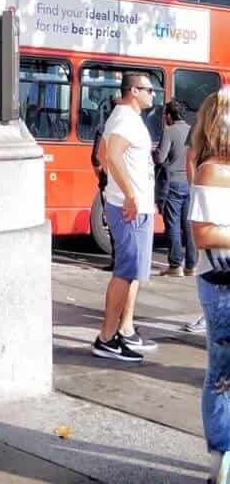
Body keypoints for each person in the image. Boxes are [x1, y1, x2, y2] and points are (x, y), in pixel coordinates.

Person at [91, 70, 158, 362]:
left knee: (132, 272)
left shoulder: (127, 118)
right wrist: (130, 194)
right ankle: (106, 338)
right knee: (125, 271)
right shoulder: (124, 119)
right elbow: (110, 157)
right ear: (134, 91)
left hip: (138, 207)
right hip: (129, 208)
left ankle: (123, 330)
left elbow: (107, 156)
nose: (153, 93)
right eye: (149, 89)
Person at [188, 88, 230, 484]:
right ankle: (222, 462)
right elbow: (204, 235)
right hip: (223, 286)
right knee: (223, 374)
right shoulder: (213, 170)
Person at [154, 100, 197, 277]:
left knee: (172, 225)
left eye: (165, 114)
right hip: (189, 182)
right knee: (188, 226)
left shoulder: (169, 131)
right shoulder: (192, 131)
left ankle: (175, 265)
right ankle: (191, 266)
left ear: (169, 116)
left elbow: (160, 157)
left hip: (172, 184)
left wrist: (153, 153)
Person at [91, 95, 118, 270]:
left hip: (108, 181)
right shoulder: (134, 128)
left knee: (113, 221)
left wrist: (100, 174)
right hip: (125, 181)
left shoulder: (104, 128)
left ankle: (116, 260)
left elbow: (95, 157)